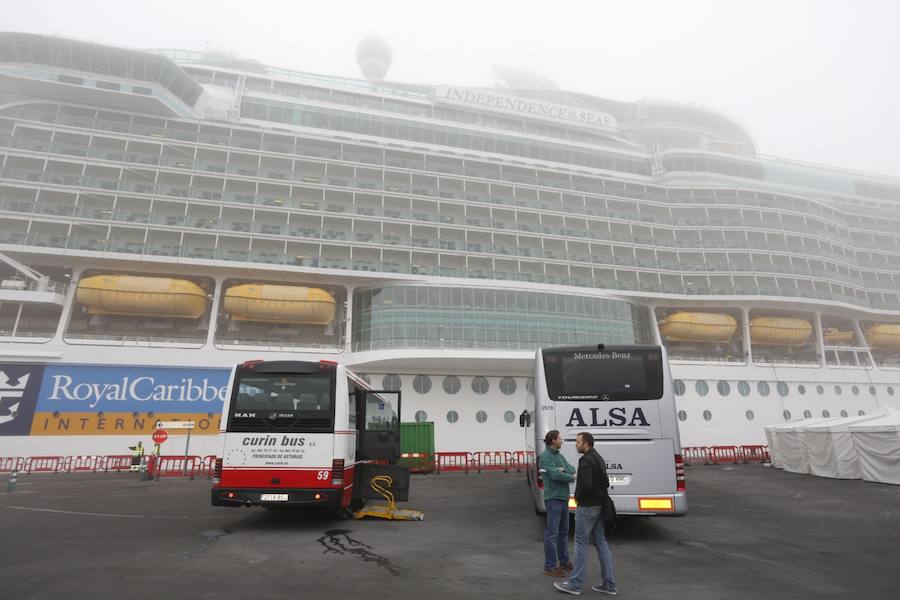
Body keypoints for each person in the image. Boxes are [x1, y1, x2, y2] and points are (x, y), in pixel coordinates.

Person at [554, 431, 617, 596]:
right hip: (599, 506)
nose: (576, 444)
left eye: (578, 442)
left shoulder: (585, 460)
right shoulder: (599, 458)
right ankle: (609, 585)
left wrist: (578, 498)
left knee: (580, 543)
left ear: (586, 443)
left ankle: (575, 584)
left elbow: (586, 485)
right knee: (601, 543)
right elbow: (605, 482)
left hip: (587, 507)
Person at [538, 430, 576, 577]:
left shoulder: (559, 456)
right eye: (560, 439)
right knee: (552, 533)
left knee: (563, 531)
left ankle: (564, 561)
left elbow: (571, 469)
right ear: (553, 440)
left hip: (563, 497)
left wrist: (563, 470)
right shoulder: (545, 457)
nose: (562, 441)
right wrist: (566, 474)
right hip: (553, 498)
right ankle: (550, 566)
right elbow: (554, 475)